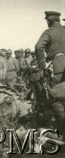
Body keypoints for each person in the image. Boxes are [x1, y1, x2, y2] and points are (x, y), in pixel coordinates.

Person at [35, 11, 65, 141]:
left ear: (49, 21)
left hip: (57, 68)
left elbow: (38, 47)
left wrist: (43, 67)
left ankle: (61, 132)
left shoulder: (50, 32)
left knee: (54, 97)